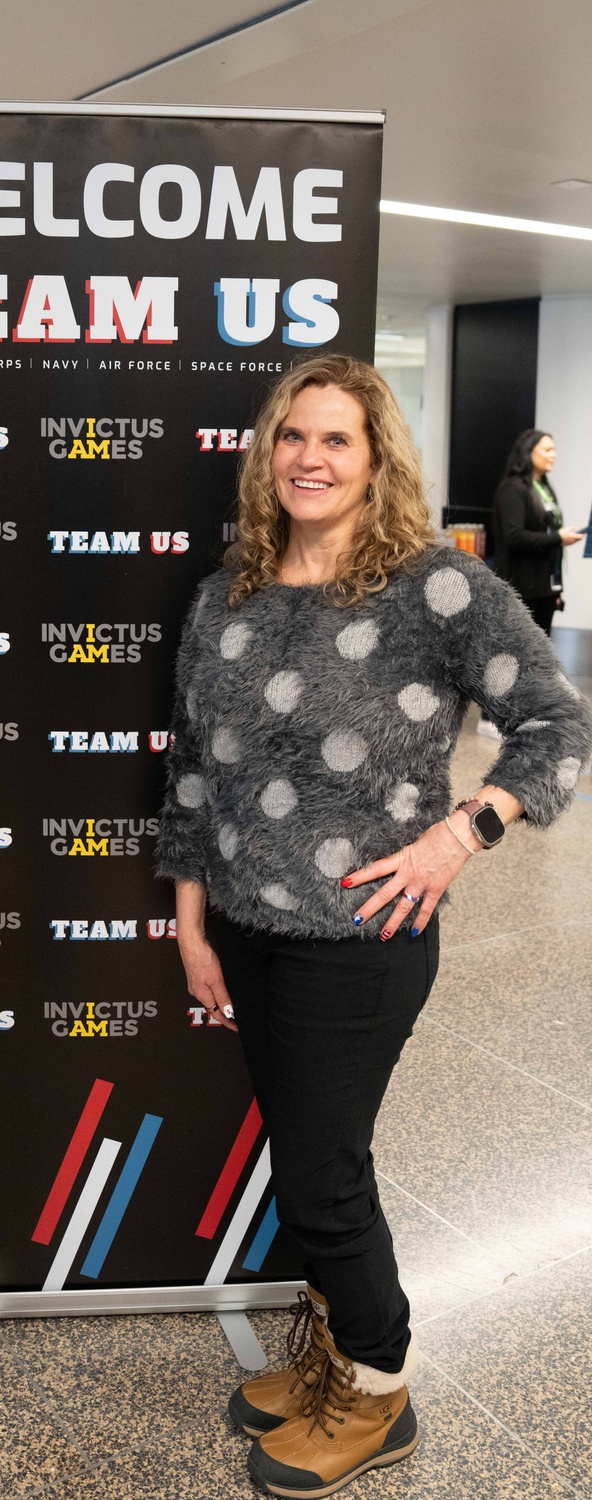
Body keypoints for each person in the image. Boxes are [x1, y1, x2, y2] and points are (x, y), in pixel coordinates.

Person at [157, 354, 591, 1498]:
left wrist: (463, 833)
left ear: (375, 458)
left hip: (359, 946)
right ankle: (329, 1359)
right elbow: (195, 772)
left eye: (336, 439)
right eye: (292, 437)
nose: (309, 457)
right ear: (267, 454)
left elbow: (555, 728)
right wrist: (192, 923)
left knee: (323, 1182)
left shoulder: (432, 589)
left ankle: (379, 1388)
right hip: (245, 930)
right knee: (310, 1163)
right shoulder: (227, 595)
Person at [491, 428, 584, 636]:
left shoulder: (542, 488)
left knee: (543, 650)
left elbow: (547, 530)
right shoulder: (512, 489)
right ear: (528, 452)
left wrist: (558, 536)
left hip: (546, 585)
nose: (554, 455)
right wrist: (558, 537)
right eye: (548, 449)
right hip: (523, 587)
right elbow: (513, 535)